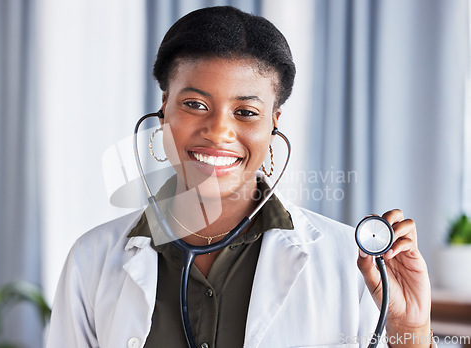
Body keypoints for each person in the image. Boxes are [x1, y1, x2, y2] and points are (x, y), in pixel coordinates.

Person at [46, 6, 432, 348]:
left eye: (246, 112)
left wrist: (411, 330)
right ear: (164, 112)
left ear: (273, 124)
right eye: (195, 104)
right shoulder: (93, 261)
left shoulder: (351, 263)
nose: (218, 132)